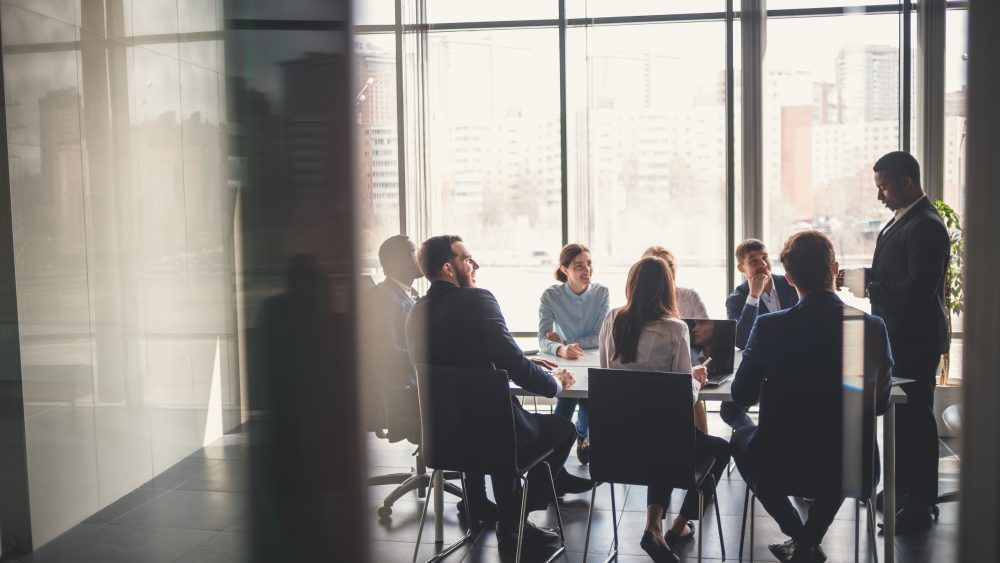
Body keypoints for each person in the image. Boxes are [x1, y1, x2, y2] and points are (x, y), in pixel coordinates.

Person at [405, 235, 593, 550]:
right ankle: (514, 519)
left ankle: (476, 505)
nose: (475, 264)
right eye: (467, 258)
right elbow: (516, 368)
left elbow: (458, 359)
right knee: (563, 429)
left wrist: (519, 361)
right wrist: (556, 383)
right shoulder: (478, 299)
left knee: (495, 426)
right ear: (449, 268)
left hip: (444, 438)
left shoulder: (415, 313)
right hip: (494, 436)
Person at [730, 231, 893, 563]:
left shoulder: (769, 328)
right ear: (835, 267)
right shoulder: (871, 327)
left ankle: (800, 537)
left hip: (781, 461)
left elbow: (740, 395)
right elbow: (880, 404)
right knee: (840, 446)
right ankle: (809, 539)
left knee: (741, 440)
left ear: (788, 279)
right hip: (853, 464)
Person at [839, 151, 949, 534]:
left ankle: (919, 505)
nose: (879, 195)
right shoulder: (903, 221)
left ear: (907, 182)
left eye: (884, 186)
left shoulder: (927, 225)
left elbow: (920, 289)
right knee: (902, 420)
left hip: (915, 341)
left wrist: (873, 286)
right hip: (898, 337)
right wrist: (863, 278)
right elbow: (897, 272)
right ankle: (903, 493)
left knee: (917, 422)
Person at [598, 257, 729, 563]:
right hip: (664, 447)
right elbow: (683, 398)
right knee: (717, 450)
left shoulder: (611, 319)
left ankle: (653, 527)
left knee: (662, 434)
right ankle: (677, 526)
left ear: (631, 284)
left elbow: (605, 377)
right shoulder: (675, 328)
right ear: (667, 289)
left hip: (616, 447)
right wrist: (696, 380)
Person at [539, 243, 610, 465]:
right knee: (570, 392)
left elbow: (601, 335)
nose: (586, 269)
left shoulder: (601, 293)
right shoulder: (551, 295)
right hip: (564, 360)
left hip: (593, 360)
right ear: (564, 269)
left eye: (589, 264)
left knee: (588, 391)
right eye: (579, 265)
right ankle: (571, 440)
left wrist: (566, 343)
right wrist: (559, 349)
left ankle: (561, 445)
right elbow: (543, 338)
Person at [721, 239, 799, 429]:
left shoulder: (790, 285)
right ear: (741, 267)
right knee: (730, 410)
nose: (763, 264)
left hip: (794, 363)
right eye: (754, 261)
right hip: (760, 367)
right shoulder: (736, 299)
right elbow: (740, 340)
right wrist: (753, 297)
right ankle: (756, 437)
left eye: (765, 258)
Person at [642, 246, 709, 319]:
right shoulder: (641, 301)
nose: (669, 271)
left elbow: (706, 327)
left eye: (670, 265)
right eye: (662, 267)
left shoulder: (691, 297)